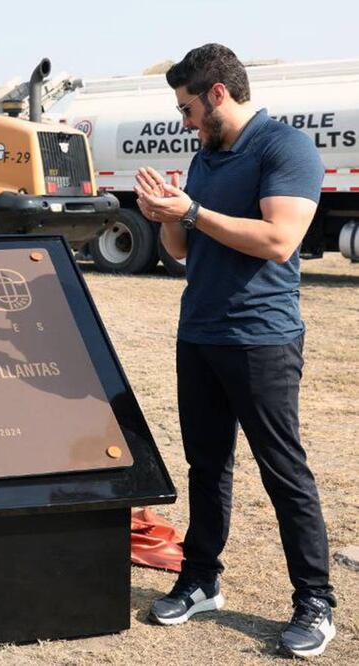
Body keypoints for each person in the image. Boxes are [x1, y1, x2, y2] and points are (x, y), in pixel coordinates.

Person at [134, 43, 335, 658]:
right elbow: (184, 252)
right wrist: (165, 216)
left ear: (218, 92)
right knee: (206, 467)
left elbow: (278, 239)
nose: (185, 122)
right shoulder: (205, 156)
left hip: (263, 338)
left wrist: (193, 210)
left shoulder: (285, 148)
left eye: (188, 109)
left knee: (284, 473)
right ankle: (201, 580)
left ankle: (315, 603)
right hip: (199, 333)